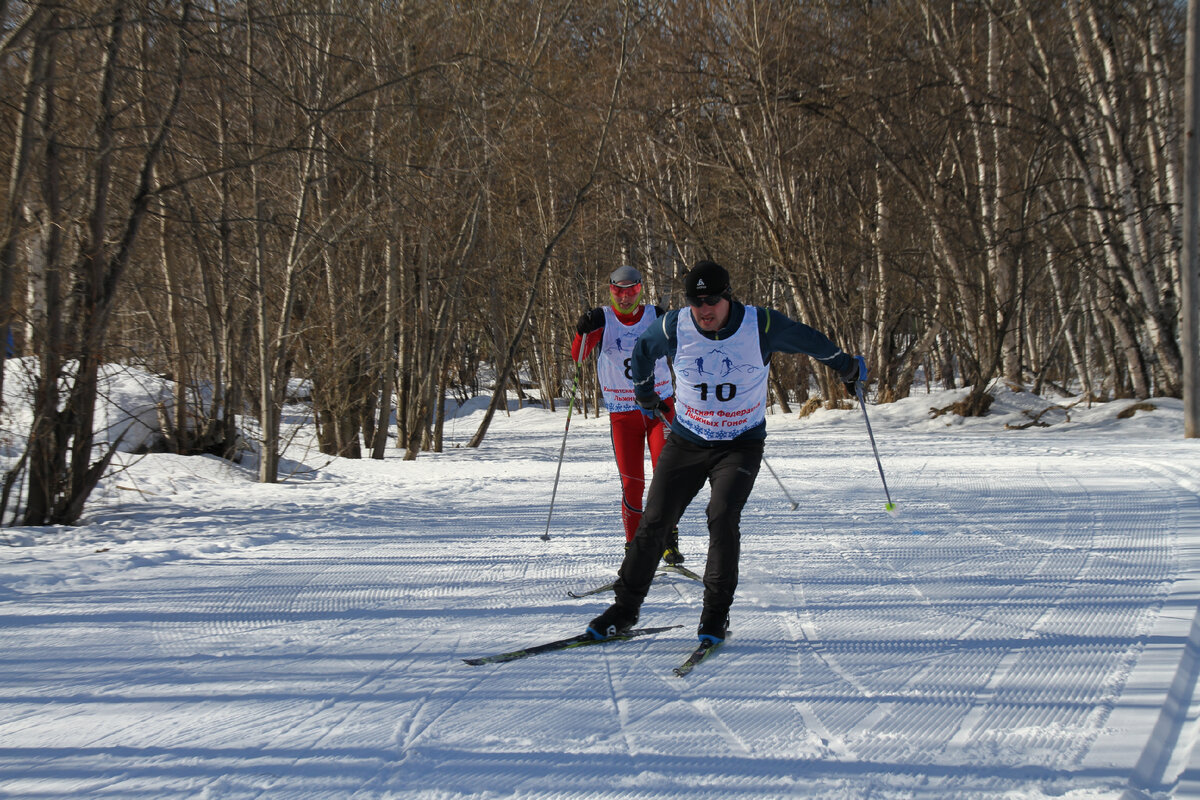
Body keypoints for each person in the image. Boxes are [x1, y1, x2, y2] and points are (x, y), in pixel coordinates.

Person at [586, 260, 866, 644]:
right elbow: (643, 352)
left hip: (740, 443)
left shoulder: (761, 325)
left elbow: (811, 341)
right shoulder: (675, 325)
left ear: (727, 297)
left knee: (721, 518)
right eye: (696, 301)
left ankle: (714, 617)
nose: (705, 309)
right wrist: (645, 393)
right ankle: (624, 610)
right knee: (655, 521)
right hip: (687, 440)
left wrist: (847, 366)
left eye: (712, 300)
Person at [572, 265, 685, 564]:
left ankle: (667, 540)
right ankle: (634, 547)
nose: (625, 297)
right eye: (618, 291)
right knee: (633, 484)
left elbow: (681, 351)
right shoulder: (602, 319)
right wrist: (582, 329)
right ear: (610, 291)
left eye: (631, 290)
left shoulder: (655, 316)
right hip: (623, 415)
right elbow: (579, 356)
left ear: (640, 289)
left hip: (660, 409)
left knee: (666, 477)